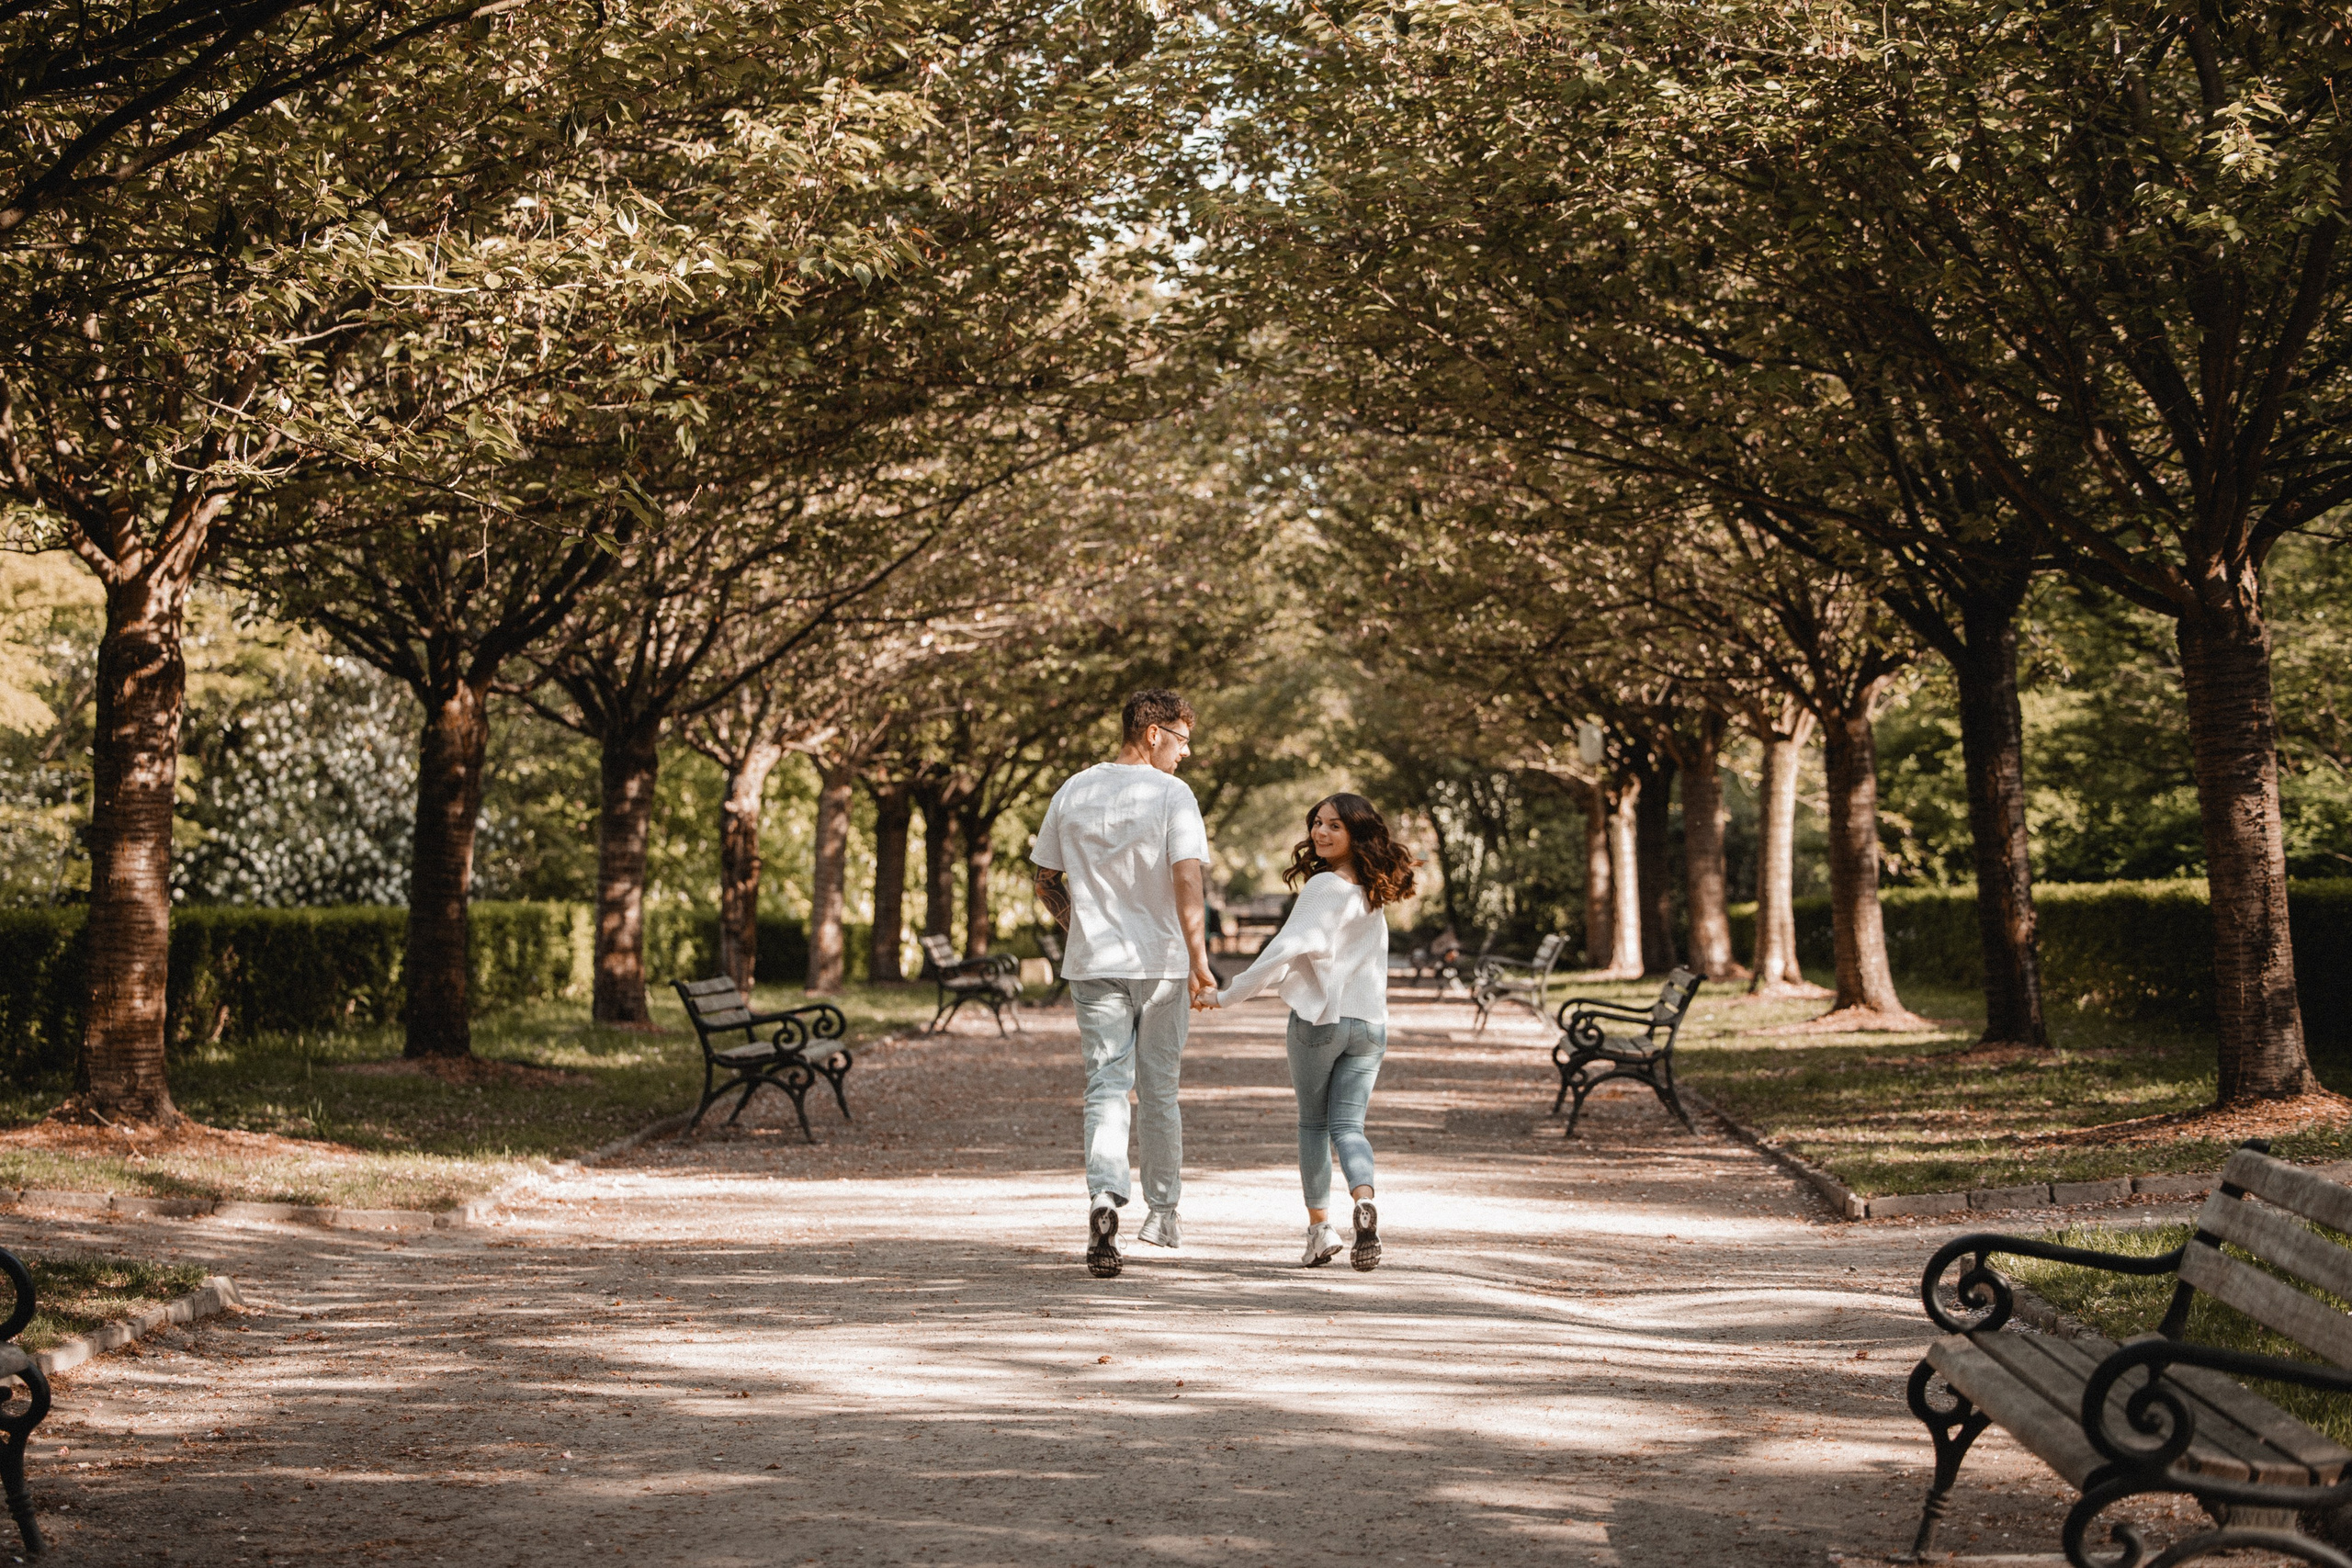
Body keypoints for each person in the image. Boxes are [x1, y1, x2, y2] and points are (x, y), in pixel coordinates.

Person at [1032, 690, 1217, 1279]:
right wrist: (1200, 960)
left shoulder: (1073, 789)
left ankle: (1104, 1198)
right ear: (1154, 733)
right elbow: (1187, 879)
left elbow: (1045, 879)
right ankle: (1162, 1215)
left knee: (1106, 1086)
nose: (1186, 753)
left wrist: (1082, 929)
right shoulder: (1172, 794)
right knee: (1160, 1091)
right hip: (1161, 965)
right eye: (1182, 739)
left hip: (1094, 965)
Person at [1198, 793, 1417, 1271]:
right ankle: (1364, 1199)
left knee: (1314, 1126)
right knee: (1350, 1127)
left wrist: (1226, 996)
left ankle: (1321, 1232)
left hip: (1321, 1023)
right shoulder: (1372, 890)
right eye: (1317, 822)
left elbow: (1283, 950)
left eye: (1335, 825)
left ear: (1357, 833)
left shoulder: (1324, 887)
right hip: (1370, 1027)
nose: (1320, 832)